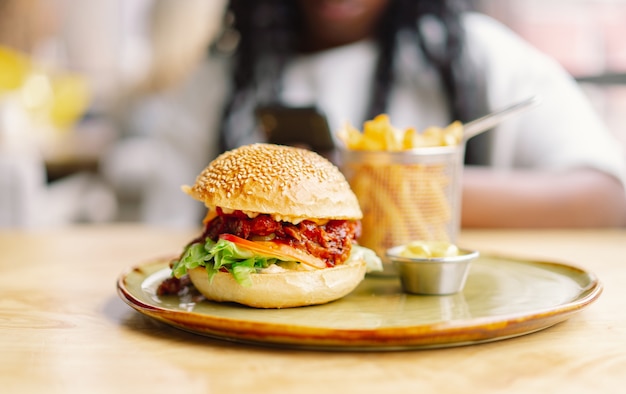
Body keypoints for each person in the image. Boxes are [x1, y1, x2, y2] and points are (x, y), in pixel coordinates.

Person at [112, 0, 626, 228]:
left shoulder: (477, 54)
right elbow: (162, 221)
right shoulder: (220, 80)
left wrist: (395, 184)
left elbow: (607, 198)